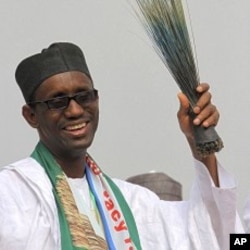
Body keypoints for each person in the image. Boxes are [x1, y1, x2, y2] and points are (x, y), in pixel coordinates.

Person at [0, 42, 243, 250]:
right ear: (31, 115)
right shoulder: (13, 193)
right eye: (57, 101)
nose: (74, 110)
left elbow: (213, 236)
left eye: (84, 96)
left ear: (97, 100)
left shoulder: (132, 203)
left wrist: (199, 139)